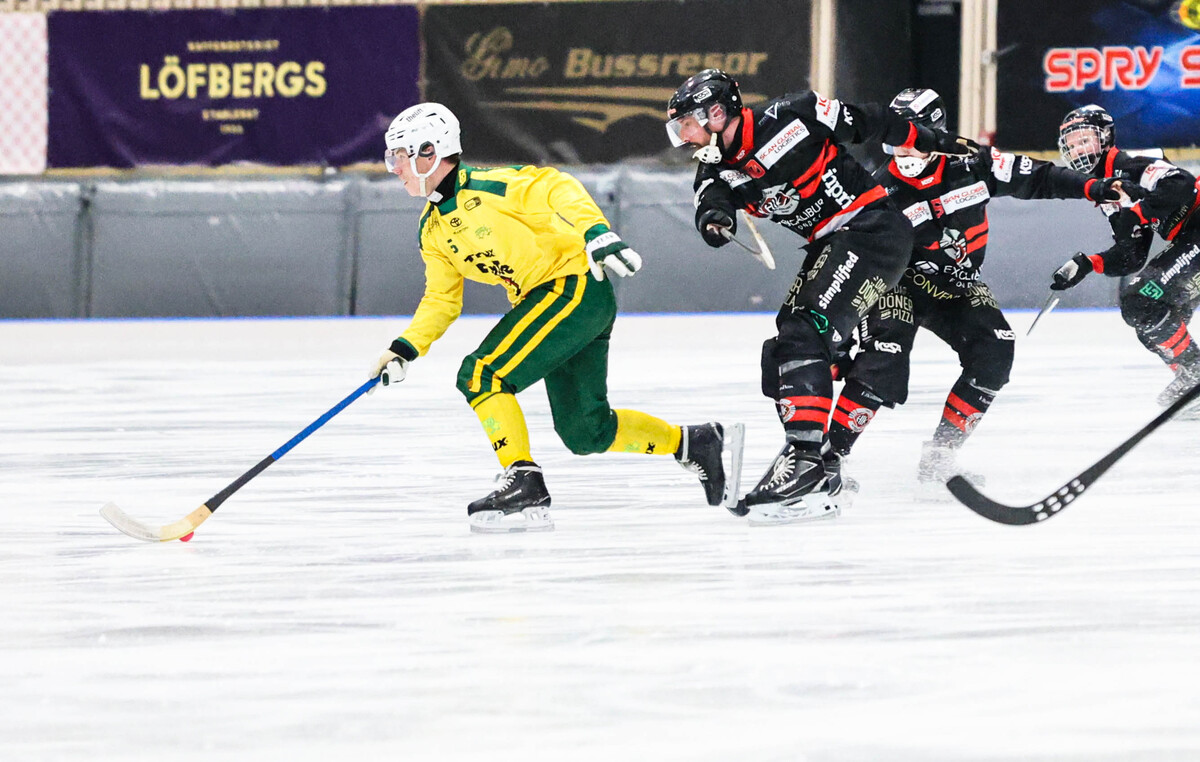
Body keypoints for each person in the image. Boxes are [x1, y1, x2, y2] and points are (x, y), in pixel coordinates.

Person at [368, 103, 743, 533]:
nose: (395, 168)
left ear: (430, 152)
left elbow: (556, 186)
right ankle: (695, 442)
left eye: (400, 156)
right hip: (558, 302)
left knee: (481, 374)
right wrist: (404, 348)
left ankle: (523, 478)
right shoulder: (431, 229)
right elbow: (442, 298)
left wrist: (597, 231)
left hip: (572, 287)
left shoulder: (492, 186)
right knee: (586, 432)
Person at [664, 69, 980, 523]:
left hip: (872, 230)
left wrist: (934, 140)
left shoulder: (792, 114)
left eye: (688, 124)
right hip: (833, 244)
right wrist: (715, 220)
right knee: (784, 349)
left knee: (805, 331)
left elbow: (873, 121)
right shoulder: (716, 168)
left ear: (717, 112)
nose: (685, 138)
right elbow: (710, 198)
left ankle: (807, 458)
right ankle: (821, 463)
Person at [824, 89, 1131, 487]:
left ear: (934, 133)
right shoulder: (877, 192)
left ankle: (940, 456)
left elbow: (1039, 176)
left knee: (996, 350)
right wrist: (839, 337)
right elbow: (847, 259)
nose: (901, 148)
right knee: (885, 358)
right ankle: (827, 460)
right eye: (893, 138)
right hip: (900, 284)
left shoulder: (974, 164)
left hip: (957, 284)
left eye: (910, 136)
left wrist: (1094, 188)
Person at [1049, 104, 1200, 409]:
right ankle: (1191, 377)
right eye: (1072, 145)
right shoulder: (1108, 191)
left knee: (1140, 303)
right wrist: (1089, 264)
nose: (1078, 151)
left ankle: (1195, 373)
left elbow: (1182, 184)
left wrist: (1138, 210)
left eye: (1084, 140)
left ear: (1105, 138)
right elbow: (1132, 255)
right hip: (1190, 237)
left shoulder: (1131, 164)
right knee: (1149, 319)